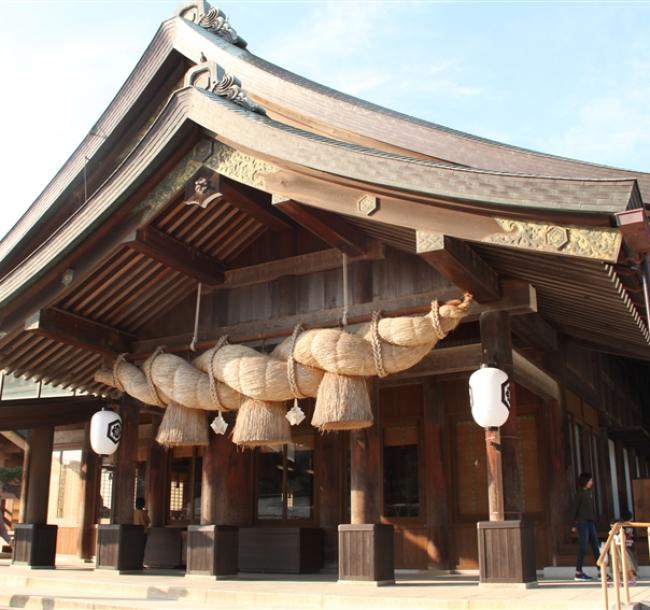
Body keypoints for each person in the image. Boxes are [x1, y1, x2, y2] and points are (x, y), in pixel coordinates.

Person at [571, 472, 600, 581]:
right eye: (590, 480)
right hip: (582, 523)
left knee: (596, 546)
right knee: (583, 547)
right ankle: (578, 572)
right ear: (585, 481)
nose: (591, 482)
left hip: (590, 522)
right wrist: (573, 524)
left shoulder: (589, 493)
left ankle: (601, 571)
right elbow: (574, 510)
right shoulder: (579, 494)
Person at [614, 511, 638, 585]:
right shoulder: (613, 534)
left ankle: (632, 578)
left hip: (623, 551)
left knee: (626, 566)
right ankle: (619, 581)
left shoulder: (623, 532)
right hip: (617, 552)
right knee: (617, 567)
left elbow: (626, 541)